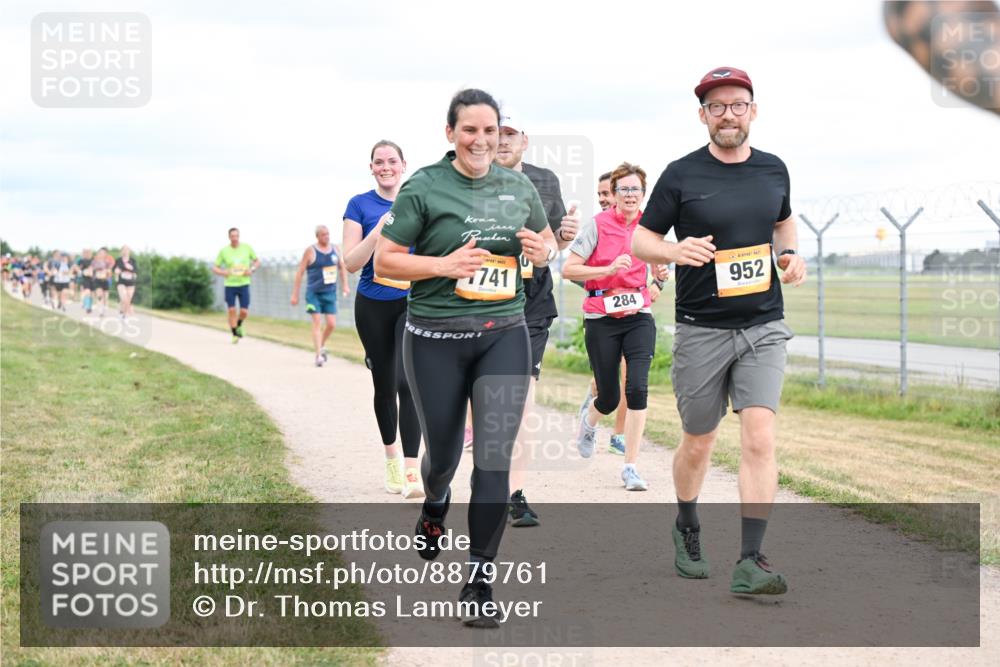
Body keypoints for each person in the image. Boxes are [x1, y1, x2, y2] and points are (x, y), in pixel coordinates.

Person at [374, 88, 556, 628]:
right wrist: (442, 265)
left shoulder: (518, 186)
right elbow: (385, 262)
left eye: (490, 130)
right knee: (444, 459)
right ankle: (435, 503)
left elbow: (546, 241)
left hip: (504, 333)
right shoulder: (425, 186)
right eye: (470, 130)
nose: (481, 140)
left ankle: (479, 580)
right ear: (450, 133)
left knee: (494, 458)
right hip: (435, 337)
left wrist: (543, 251)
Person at [632, 67, 807, 595]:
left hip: (763, 324)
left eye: (736, 105)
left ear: (753, 111)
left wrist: (789, 254)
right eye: (716, 107)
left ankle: (751, 560)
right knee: (699, 441)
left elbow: (783, 221)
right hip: (702, 329)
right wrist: (674, 250)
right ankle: (687, 522)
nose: (727, 114)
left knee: (759, 434)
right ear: (703, 115)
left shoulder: (774, 169)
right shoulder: (681, 174)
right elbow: (642, 240)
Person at [493, 110, 580, 526]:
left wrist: (564, 236)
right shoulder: (466, 181)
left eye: (510, 134)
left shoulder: (545, 181)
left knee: (522, 404)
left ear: (524, 141)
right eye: (496, 133)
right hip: (480, 305)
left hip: (532, 305)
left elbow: (554, 245)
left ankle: (514, 494)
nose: (503, 141)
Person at [562, 163, 668, 492]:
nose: (630, 195)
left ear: (643, 193)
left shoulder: (650, 227)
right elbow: (569, 269)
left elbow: (659, 262)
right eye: (624, 189)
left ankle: (630, 467)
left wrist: (660, 274)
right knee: (608, 397)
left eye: (636, 189)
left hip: (638, 314)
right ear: (615, 193)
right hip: (601, 316)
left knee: (637, 389)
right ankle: (589, 422)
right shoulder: (597, 225)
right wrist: (607, 269)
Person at [342, 140, 424, 498]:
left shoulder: (418, 202)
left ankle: (411, 471)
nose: (386, 167)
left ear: (404, 165)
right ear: (371, 168)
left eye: (392, 161)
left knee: (409, 382)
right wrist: (378, 231)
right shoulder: (359, 205)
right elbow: (351, 262)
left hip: (411, 302)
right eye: (379, 162)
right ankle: (392, 459)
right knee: (385, 385)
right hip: (372, 306)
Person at [578, 171, 634, 455]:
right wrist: (601, 285)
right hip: (601, 314)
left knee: (630, 375)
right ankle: (592, 402)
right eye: (599, 194)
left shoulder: (636, 225)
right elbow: (576, 269)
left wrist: (656, 283)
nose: (602, 199)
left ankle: (619, 435)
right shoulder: (596, 227)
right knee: (607, 378)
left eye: (606, 193)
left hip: (632, 311)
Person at [290, 226, 350, 366]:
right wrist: (295, 294)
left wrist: (345, 285)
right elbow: (300, 272)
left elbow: (342, 268)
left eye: (328, 234)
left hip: (330, 293)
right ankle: (318, 356)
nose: (326, 236)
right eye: (323, 235)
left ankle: (321, 344)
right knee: (317, 322)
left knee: (331, 324)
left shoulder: (335, 249)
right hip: (314, 293)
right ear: (317, 236)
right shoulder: (310, 251)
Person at [212, 228, 260, 344]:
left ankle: (239, 324)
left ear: (239, 236)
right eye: (232, 236)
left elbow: (257, 261)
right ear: (229, 237)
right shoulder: (224, 251)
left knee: (244, 311)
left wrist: (252, 269)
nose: (235, 238)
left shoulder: (246, 248)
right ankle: (234, 334)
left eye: (236, 236)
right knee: (231, 309)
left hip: (244, 283)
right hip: (230, 285)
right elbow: (215, 267)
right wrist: (223, 272)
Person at [114, 245, 139, 318]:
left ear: (129, 251)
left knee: (128, 300)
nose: (125, 251)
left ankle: (123, 315)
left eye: (127, 250)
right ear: (121, 251)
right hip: (121, 282)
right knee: (124, 298)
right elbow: (114, 269)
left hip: (131, 283)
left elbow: (135, 271)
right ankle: (121, 312)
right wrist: (116, 271)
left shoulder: (133, 261)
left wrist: (134, 274)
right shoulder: (118, 260)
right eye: (124, 250)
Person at [90, 248, 114, 317]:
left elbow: (110, 272)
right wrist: (92, 273)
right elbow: (91, 270)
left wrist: (107, 272)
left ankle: (104, 308)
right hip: (97, 280)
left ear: (105, 254)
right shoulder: (94, 262)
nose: (101, 254)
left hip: (105, 281)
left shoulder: (107, 262)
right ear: (98, 254)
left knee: (105, 297)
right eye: (100, 253)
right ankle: (100, 310)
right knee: (99, 295)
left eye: (103, 253)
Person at [77, 248, 94, 314]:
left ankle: (89, 306)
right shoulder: (81, 261)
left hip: (92, 279)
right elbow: (78, 268)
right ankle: (87, 306)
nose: (87, 254)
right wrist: (83, 272)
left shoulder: (93, 260)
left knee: (91, 294)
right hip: (85, 278)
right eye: (86, 252)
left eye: (88, 252)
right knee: (87, 292)